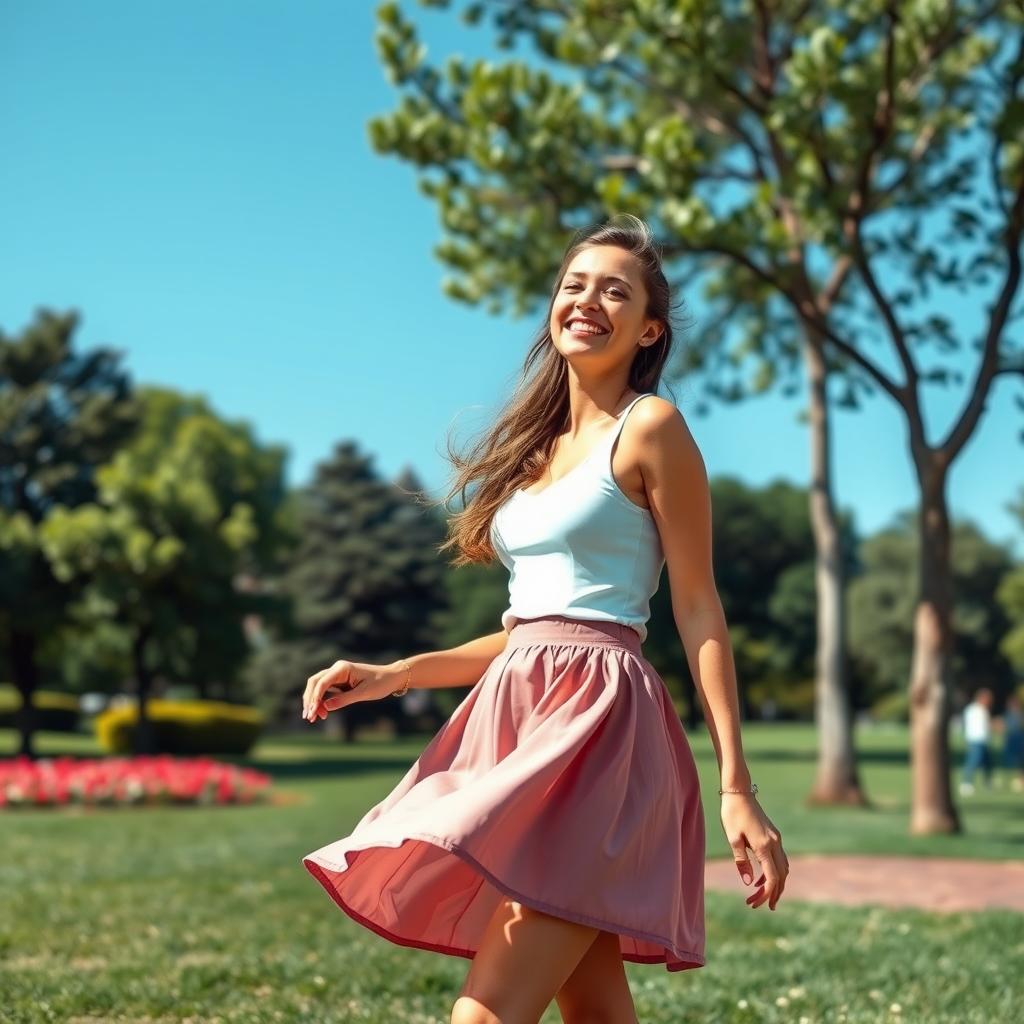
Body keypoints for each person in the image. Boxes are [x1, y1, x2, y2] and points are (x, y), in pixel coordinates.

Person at [299, 215, 790, 1023]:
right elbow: (531, 631)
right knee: (595, 1005)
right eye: (574, 284)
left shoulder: (652, 429)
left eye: (615, 291)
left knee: (487, 1012)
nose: (587, 300)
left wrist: (737, 785)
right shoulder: (536, 456)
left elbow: (698, 608)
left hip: (599, 734)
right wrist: (397, 674)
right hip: (519, 722)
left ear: (648, 328)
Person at [960, 687, 994, 795]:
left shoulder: (981, 710)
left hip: (982, 740)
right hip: (976, 739)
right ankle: (966, 783)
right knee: (973, 761)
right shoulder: (975, 710)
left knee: (987, 763)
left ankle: (987, 782)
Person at [999, 692, 1024, 792]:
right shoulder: (1008, 714)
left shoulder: (1019, 714)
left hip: (1019, 740)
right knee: (1013, 760)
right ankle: (1018, 779)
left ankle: (1020, 779)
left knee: (1020, 760)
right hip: (1011, 739)